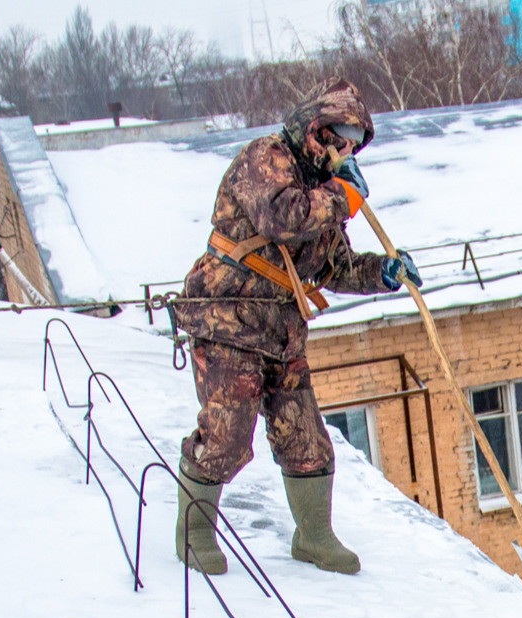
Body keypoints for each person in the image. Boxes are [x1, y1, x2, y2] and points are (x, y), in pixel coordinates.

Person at [173, 77, 420, 576]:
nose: (345, 151)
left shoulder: (326, 191)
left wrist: (383, 272)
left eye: (353, 145)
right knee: (227, 436)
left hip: (281, 330)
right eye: (340, 140)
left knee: (306, 439)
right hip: (227, 318)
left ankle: (313, 536)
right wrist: (341, 198)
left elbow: (334, 266)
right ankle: (194, 531)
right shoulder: (265, 159)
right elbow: (282, 216)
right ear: (315, 130)